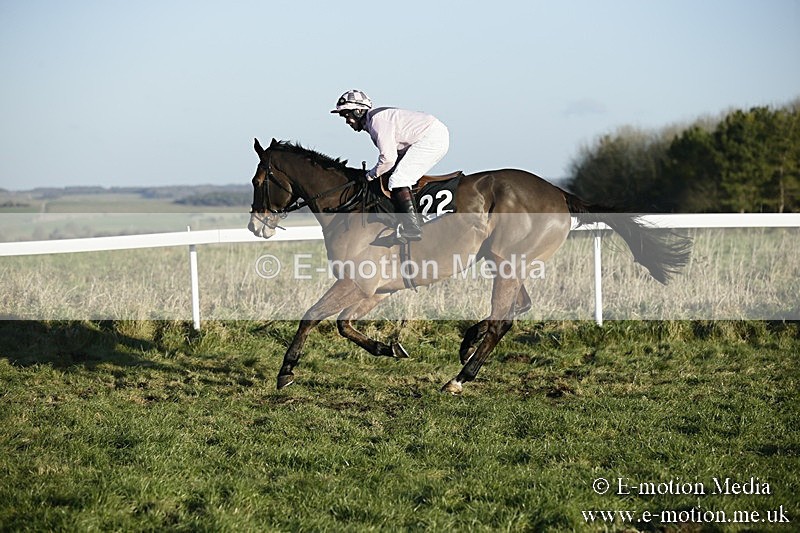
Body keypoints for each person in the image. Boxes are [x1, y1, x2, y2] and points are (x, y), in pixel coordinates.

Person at [331, 89, 450, 242]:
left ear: (359, 111)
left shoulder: (376, 122)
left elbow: (388, 158)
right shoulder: (374, 121)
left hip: (431, 137)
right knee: (392, 176)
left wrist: (369, 176)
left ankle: (412, 227)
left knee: (399, 180)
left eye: (347, 115)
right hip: (428, 136)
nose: (347, 121)